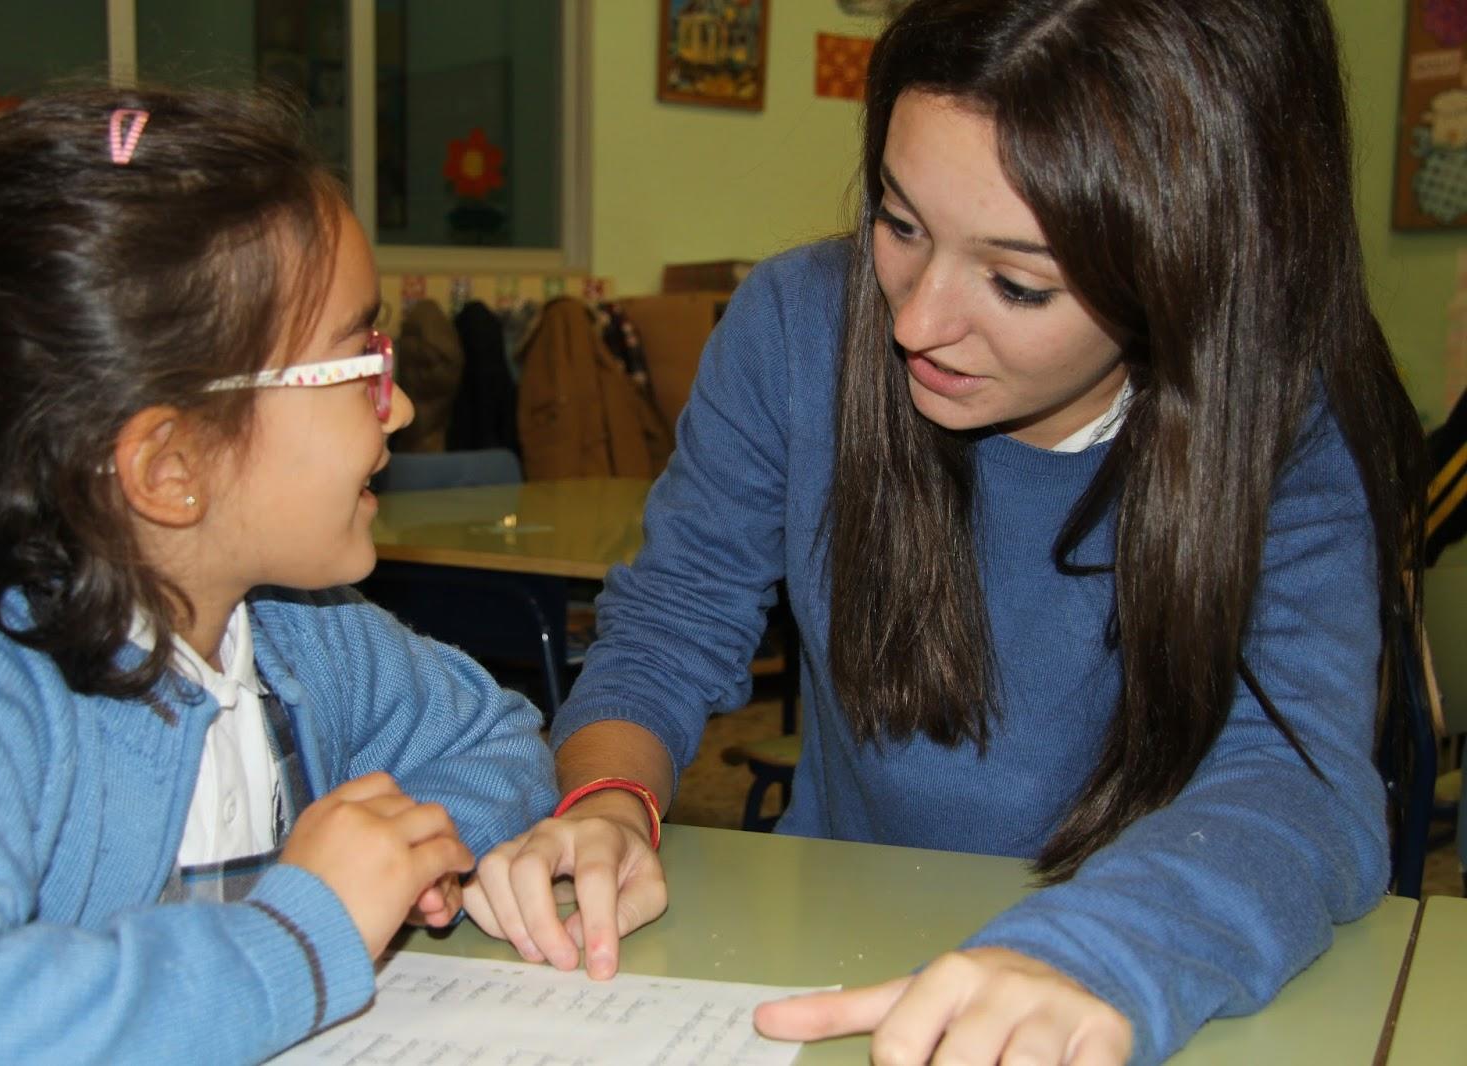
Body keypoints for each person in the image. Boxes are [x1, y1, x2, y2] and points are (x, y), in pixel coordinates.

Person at [460, 1, 1428, 1062]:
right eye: (898, 221)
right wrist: (605, 800)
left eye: (1017, 283)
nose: (916, 321)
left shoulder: (1288, 415)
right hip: (824, 956)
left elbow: (1300, 780)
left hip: (1143, 971)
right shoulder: (795, 324)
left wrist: (1101, 951)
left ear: (1195, 267)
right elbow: (668, 622)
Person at [0, 87, 556, 1064]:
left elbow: (495, 736)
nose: (395, 406)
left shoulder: (298, 628)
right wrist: (297, 935)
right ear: (172, 466)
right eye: (356, 356)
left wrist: (412, 850)